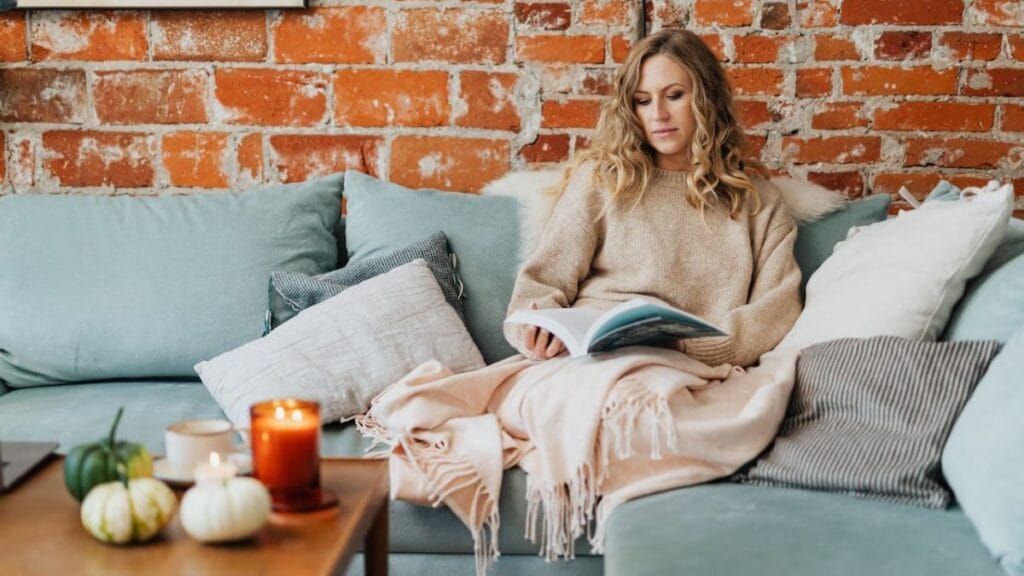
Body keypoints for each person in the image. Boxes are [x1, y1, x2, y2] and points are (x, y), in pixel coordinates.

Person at [505, 28, 802, 368]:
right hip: (586, 358)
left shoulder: (759, 203)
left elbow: (776, 311)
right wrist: (537, 331)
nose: (658, 114)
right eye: (643, 101)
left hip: (683, 365)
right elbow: (541, 283)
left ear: (707, 98)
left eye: (674, 95)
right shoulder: (601, 180)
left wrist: (693, 347)